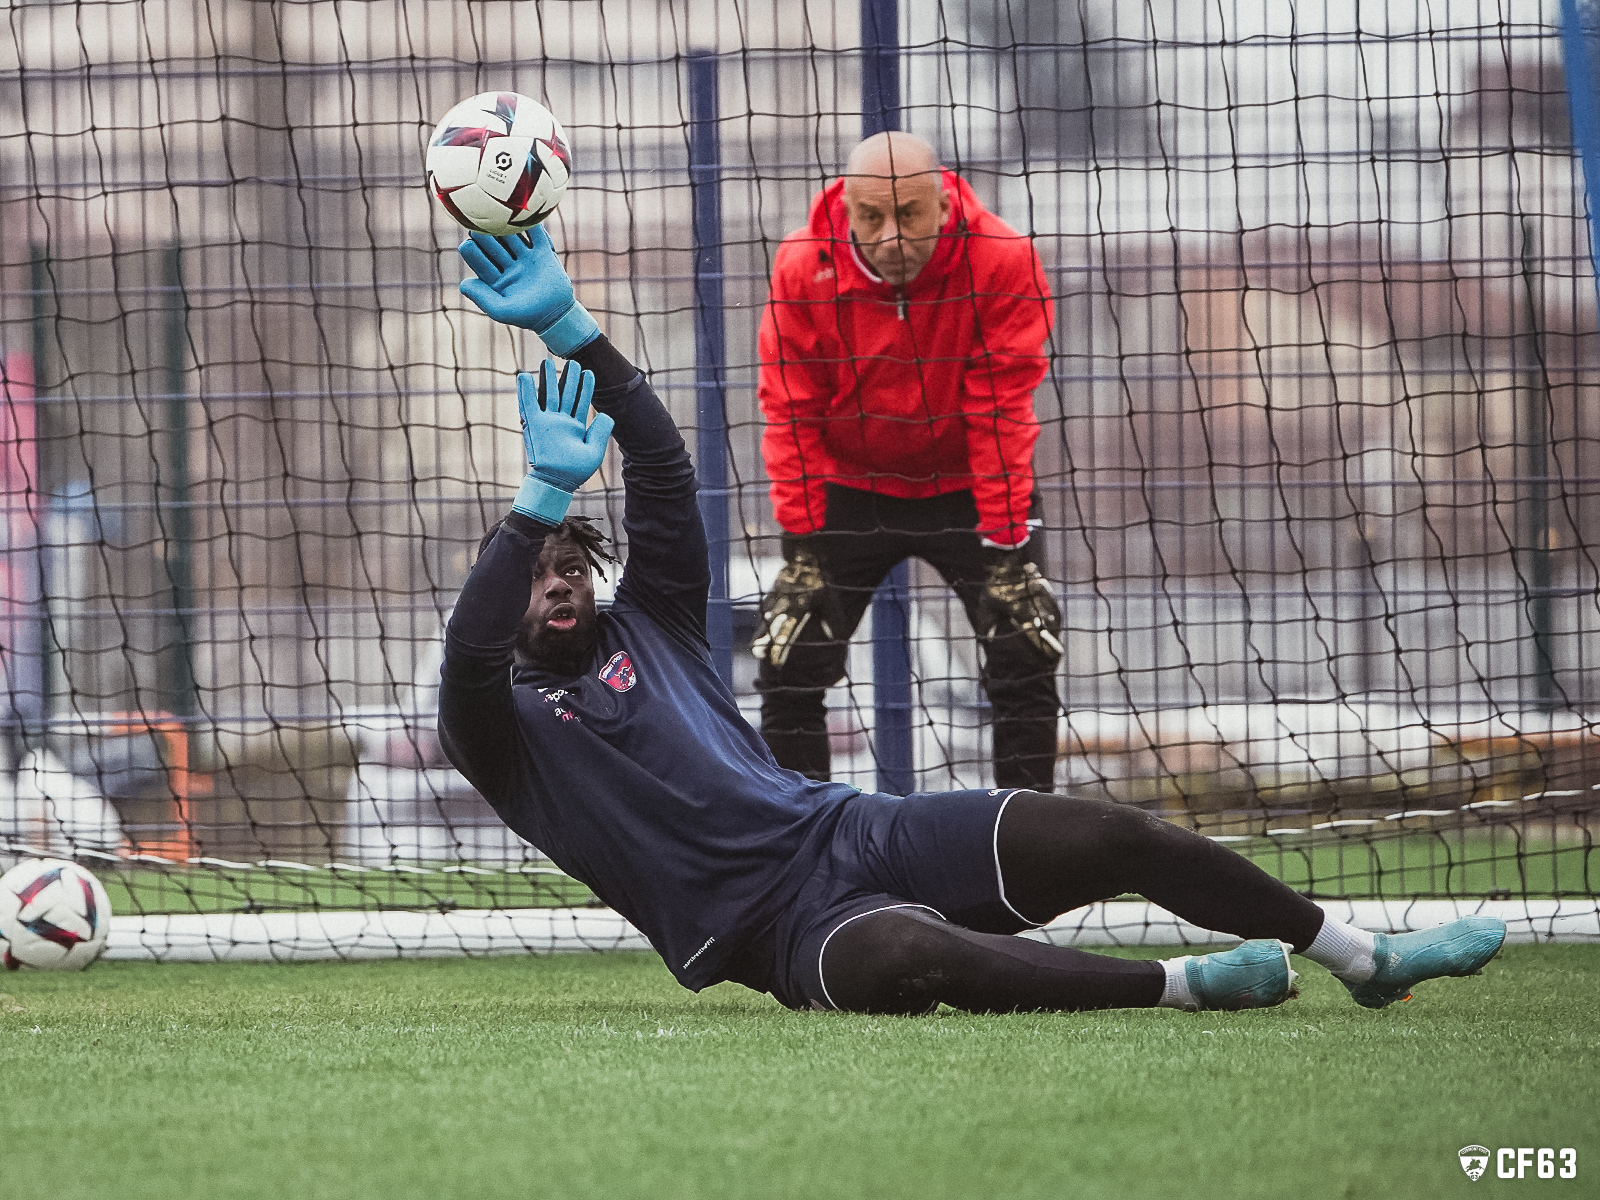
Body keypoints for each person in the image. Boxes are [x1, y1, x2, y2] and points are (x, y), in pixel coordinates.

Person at [439, 224, 1507, 1016]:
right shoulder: (501, 730)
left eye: (572, 563)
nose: (559, 582)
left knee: (1111, 832)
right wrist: (537, 501)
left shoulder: (653, 624)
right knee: (908, 955)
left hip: (853, 828)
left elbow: (666, 473)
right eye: (536, 573)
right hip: (778, 931)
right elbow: (469, 652)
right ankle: (1186, 983)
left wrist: (575, 333)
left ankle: (1364, 959)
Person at [754, 131, 1061, 791]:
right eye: (871, 218)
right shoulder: (803, 265)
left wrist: (1007, 544)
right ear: (848, 210)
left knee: (1024, 656)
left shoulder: (1002, 259)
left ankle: (1022, 841)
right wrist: (802, 545)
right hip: (849, 487)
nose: (890, 236)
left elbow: (1001, 411)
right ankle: (799, 840)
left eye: (909, 214)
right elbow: (791, 410)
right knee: (790, 662)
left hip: (969, 485)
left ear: (944, 203)